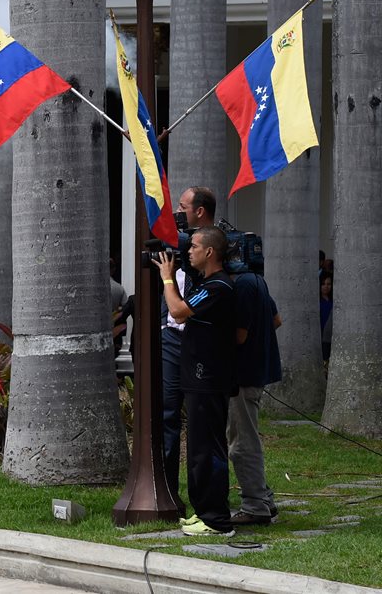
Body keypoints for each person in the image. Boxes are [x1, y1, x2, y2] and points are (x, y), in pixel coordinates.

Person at [154, 226, 238, 536]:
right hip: (199, 377)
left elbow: (176, 311)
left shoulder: (217, 286)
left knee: (208, 449)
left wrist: (166, 275)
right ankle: (203, 510)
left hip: (209, 378)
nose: (189, 251)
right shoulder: (209, 283)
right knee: (199, 448)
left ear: (210, 252)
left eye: (195, 246)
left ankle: (217, 519)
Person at [161, 186, 218, 498]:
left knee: (200, 420)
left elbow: (184, 309)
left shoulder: (214, 247)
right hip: (171, 338)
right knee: (167, 414)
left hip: (199, 341)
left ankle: (205, 496)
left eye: (182, 207)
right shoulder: (176, 244)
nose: (177, 213)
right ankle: (168, 492)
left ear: (199, 211)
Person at [227, 269, 282, 526]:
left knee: (242, 441)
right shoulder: (257, 280)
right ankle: (263, 498)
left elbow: (239, 335)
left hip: (242, 377)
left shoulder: (242, 286)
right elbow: (276, 320)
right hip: (254, 373)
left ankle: (255, 504)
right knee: (244, 437)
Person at [319, 271, 333, 362]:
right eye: (323, 284)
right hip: (321, 338)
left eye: (328, 284)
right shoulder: (317, 302)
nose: (326, 286)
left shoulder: (335, 301)